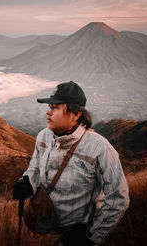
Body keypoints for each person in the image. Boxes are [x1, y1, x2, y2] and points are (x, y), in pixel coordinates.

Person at [13, 81, 129, 245]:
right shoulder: (43, 136)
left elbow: (119, 198)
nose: (48, 112)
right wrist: (27, 181)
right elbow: (35, 167)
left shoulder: (100, 149)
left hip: (74, 235)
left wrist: (91, 237)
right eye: (49, 107)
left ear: (75, 114)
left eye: (55, 108)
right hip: (43, 226)